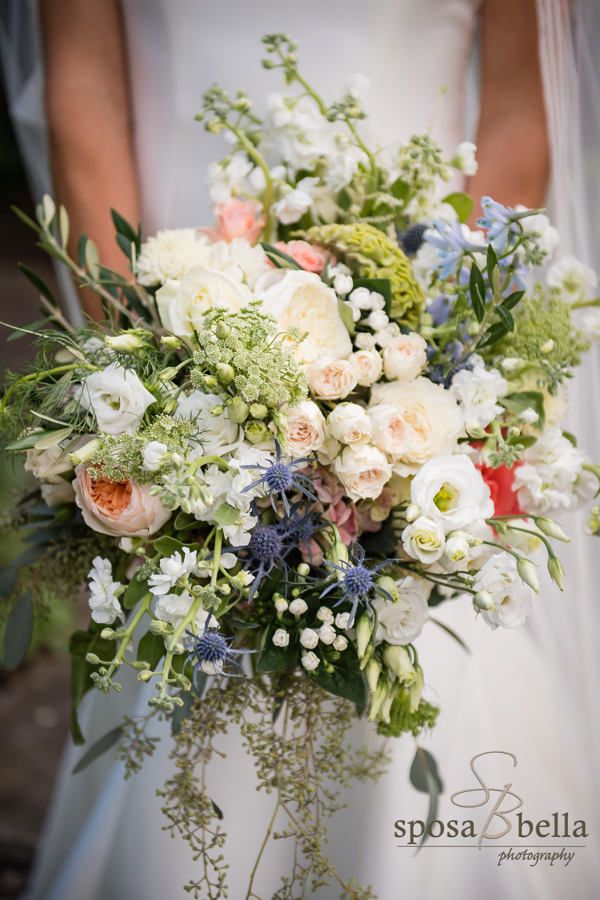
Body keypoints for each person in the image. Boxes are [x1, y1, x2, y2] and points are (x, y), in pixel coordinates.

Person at [3, 0, 597, 897]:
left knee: (424, 660)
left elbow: (517, 107)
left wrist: (427, 363)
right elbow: (82, 88)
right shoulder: (170, 349)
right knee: (191, 650)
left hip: (413, 327)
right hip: (177, 306)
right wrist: (160, 376)